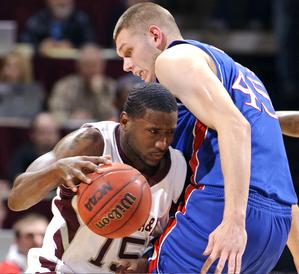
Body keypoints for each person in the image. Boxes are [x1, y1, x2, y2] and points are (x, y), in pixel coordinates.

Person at [113, 2, 298, 273]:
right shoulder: (241, 74)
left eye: (128, 52)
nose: (127, 65)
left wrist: (234, 222)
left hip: (223, 208)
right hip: (276, 224)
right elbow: (263, 127)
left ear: (155, 35)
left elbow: (236, 127)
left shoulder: (172, 60)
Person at [8, 83, 187, 273]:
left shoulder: (178, 168)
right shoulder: (92, 142)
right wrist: (56, 171)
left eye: (169, 133)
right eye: (153, 131)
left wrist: (146, 261)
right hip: (61, 268)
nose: (162, 143)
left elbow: (174, 238)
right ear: (125, 122)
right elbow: (16, 199)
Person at [48, 44, 117, 128]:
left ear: (102, 66)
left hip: (101, 134)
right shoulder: (65, 86)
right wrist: (72, 118)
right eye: (87, 65)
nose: (91, 70)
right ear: (78, 66)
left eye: (94, 65)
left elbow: (112, 118)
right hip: (71, 134)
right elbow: (55, 112)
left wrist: (99, 94)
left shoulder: (111, 87)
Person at [20, 0, 96, 55]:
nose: (62, 2)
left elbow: (90, 44)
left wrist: (73, 47)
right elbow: (24, 43)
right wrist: (39, 47)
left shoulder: (81, 20)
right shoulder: (37, 20)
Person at [8, 112, 60, 185]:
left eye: (51, 132)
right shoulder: (23, 153)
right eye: (42, 132)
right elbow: (16, 179)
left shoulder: (64, 154)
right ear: (33, 134)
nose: (47, 137)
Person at [0, 50, 45, 119]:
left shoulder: (34, 90)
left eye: (15, 66)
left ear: (24, 69)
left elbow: (32, 113)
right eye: (7, 65)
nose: (10, 69)